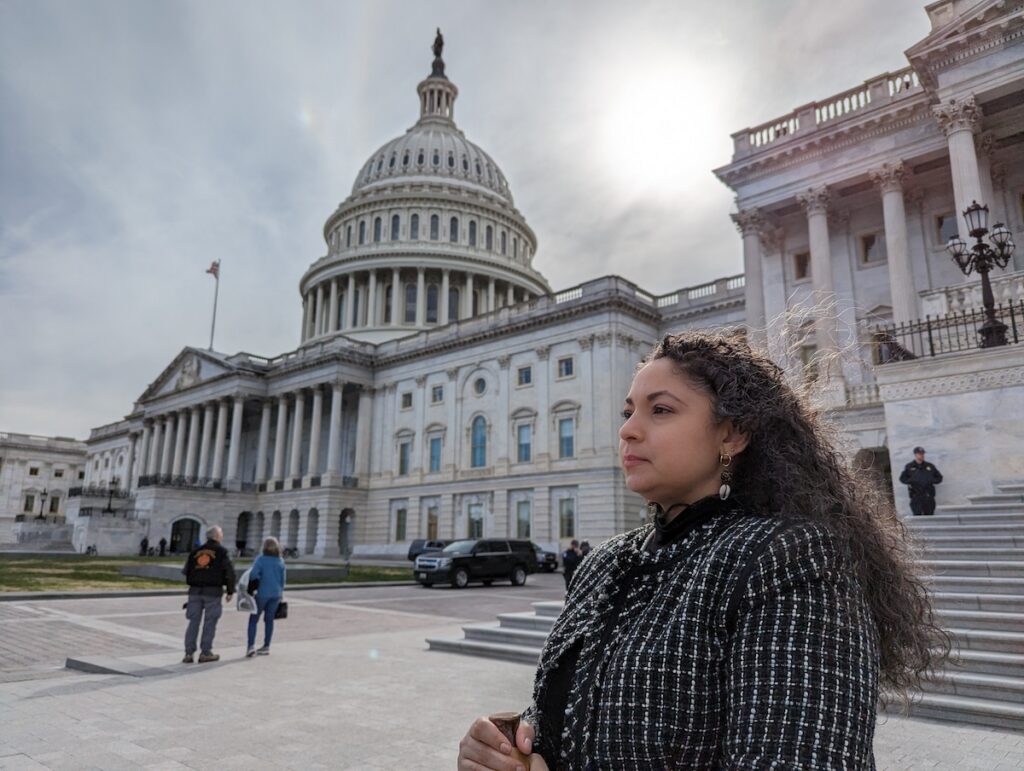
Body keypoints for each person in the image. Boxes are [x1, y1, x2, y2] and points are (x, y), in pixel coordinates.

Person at [458, 332, 946, 770]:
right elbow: (595, 706)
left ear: (731, 434)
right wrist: (512, 746)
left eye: (660, 410)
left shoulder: (791, 558)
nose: (627, 429)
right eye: (628, 411)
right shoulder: (603, 564)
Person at [182, 525, 235, 664]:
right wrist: (230, 590)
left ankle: (188, 653)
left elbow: (187, 571)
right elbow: (229, 572)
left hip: (194, 591)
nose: (222, 536)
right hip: (213, 591)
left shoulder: (195, 552)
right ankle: (205, 652)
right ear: (217, 536)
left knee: (193, 622)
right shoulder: (222, 551)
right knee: (210, 622)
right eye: (221, 533)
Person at [245, 536, 287, 657]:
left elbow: (253, 575)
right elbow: (283, 580)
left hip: (262, 594)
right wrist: (281, 593)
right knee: (269, 620)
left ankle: (251, 646)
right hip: (276, 594)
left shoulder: (261, 559)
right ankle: (266, 646)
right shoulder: (280, 561)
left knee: (253, 619)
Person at [899, 446, 943, 516]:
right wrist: (912, 481)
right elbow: (902, 478)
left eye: (923, 454)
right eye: (920, 454)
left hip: (928, 496)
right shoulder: (909, 466)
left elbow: (939, 478)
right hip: (916, 496)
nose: (922, 455)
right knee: (917, 516)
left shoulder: (930, 466)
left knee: (929, 516)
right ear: (915, 455)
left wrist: (931, 480)